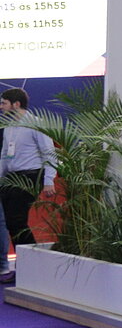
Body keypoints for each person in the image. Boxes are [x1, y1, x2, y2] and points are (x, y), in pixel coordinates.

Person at [0, 88, 54, 247]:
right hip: (12, 177)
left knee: (17, 220)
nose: (1, 107)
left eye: (4, 103)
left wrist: (49, 180)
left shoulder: (36, 124)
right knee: (10, 222)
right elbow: (4, 155)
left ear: (16, 104)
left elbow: (49, 152)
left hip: (31, 176)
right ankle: (23, 257)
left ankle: (32, 256)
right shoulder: (9, 126)